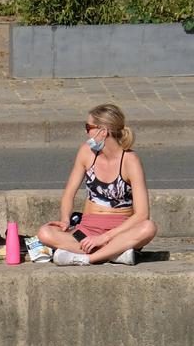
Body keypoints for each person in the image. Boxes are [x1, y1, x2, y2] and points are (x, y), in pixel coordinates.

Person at [37, 104, 157, 266]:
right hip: (86, 231)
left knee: (148, 228)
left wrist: (104, 238)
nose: (86, 132)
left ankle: (88, 258)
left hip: (119, 232)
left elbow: (142, 215)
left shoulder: (130, 161)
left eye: (88, 127)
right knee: (45, 233)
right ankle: (114, 253)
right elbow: (69, 193)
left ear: (103, 131)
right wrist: (65, 220)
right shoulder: (86, 153)